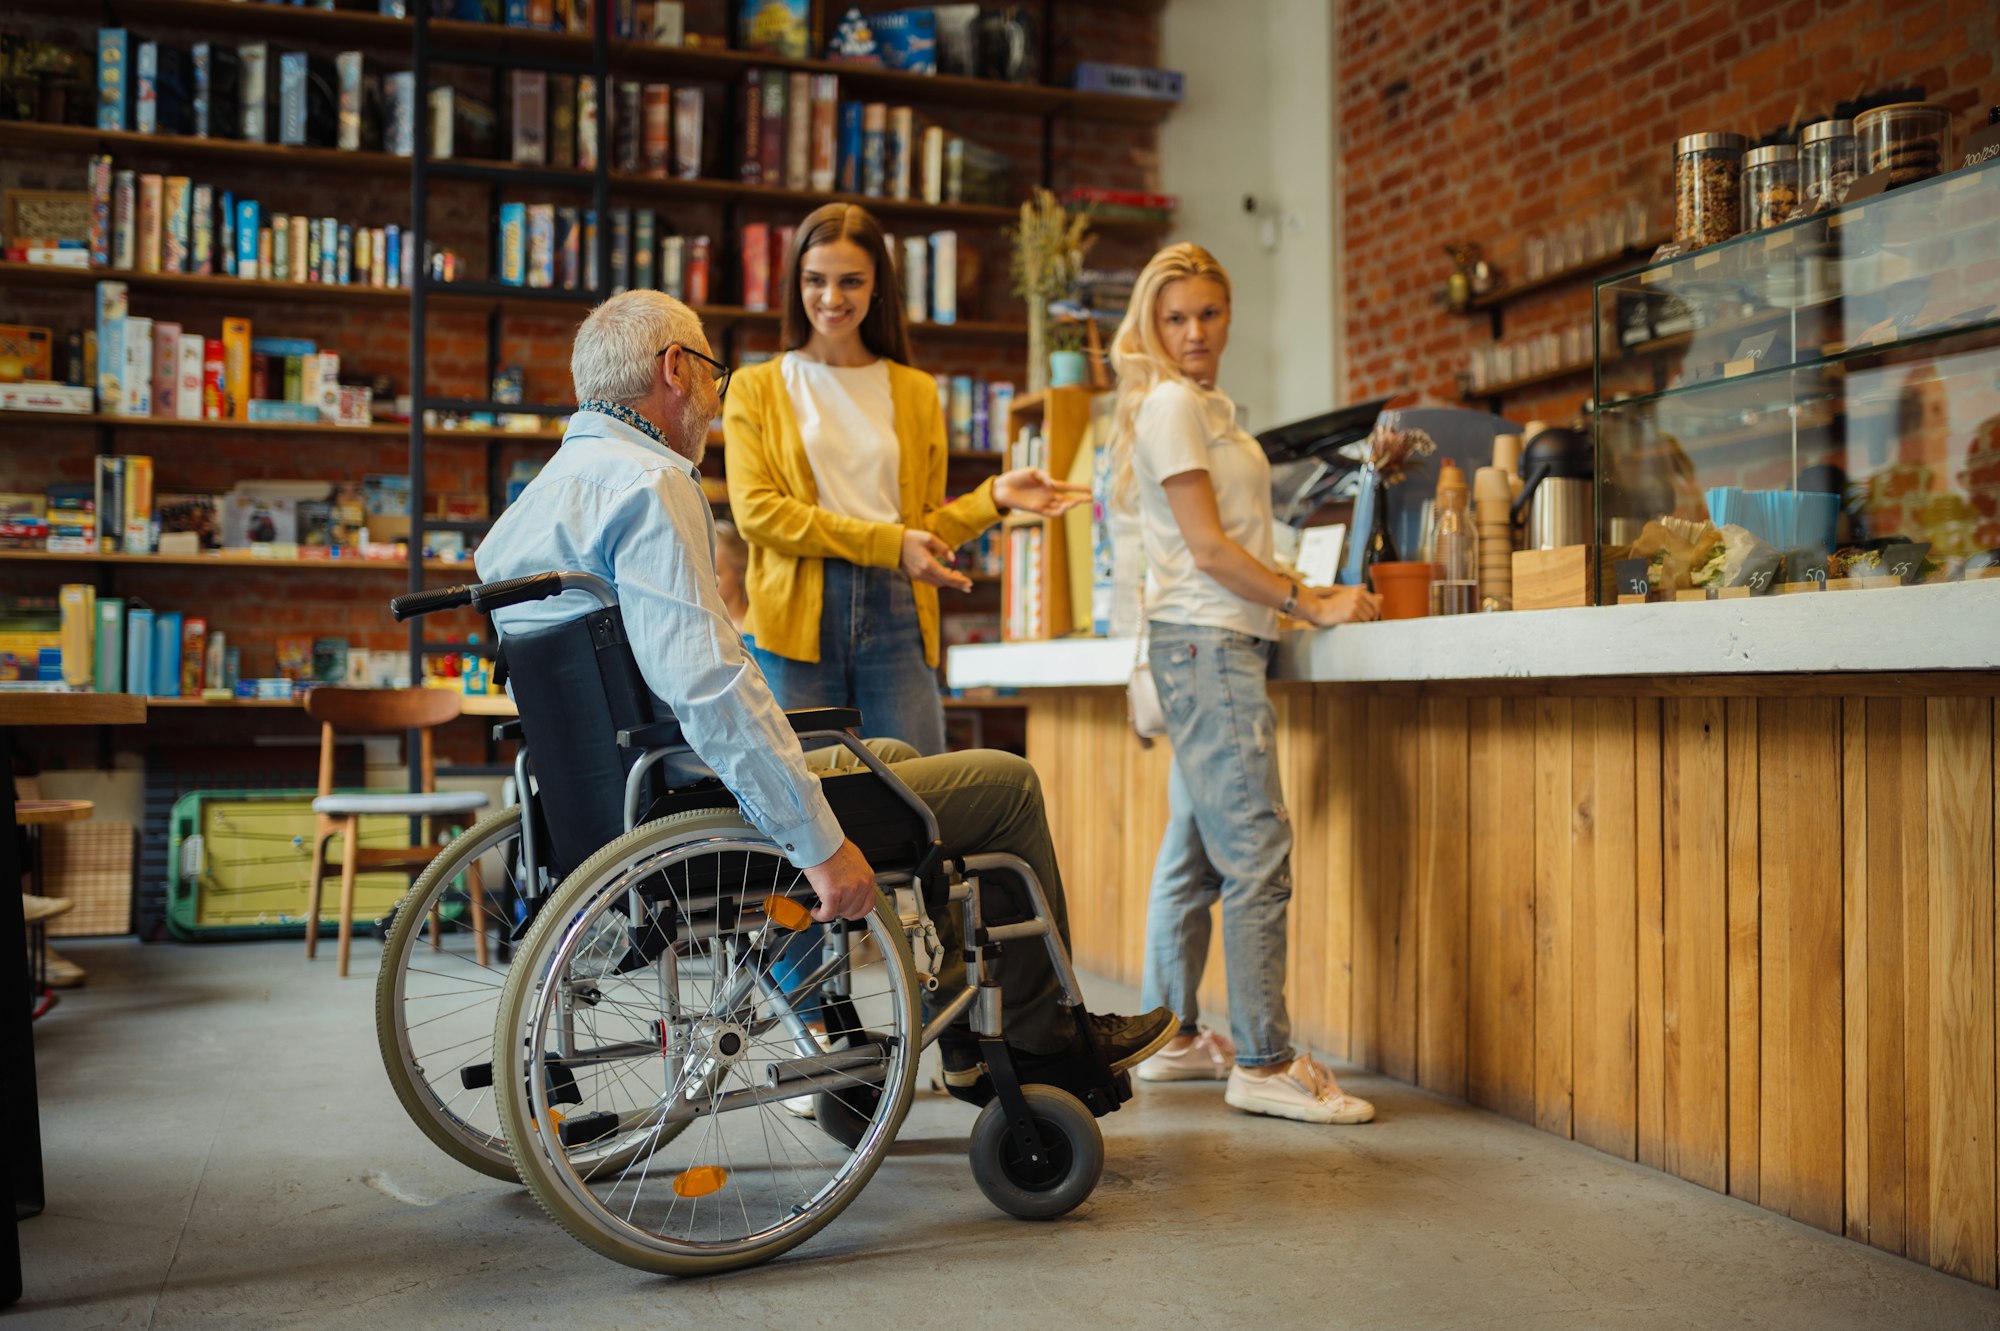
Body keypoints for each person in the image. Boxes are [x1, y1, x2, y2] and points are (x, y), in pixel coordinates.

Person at [473, 289, 1175, 1095]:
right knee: (1007, 786)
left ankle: (965, 1032)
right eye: (709, 371)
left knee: (896, 758)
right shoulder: (652, 484)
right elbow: (707, 686)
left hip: (607, 801)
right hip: (692, 803)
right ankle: (1045, 1042)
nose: (714, 392)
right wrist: (819, 841)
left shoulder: (535, 505)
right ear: (675, 369)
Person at [1112, 243, 1383, 1124]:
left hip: (1210, 644)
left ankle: (1175, 1037)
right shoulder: (1171, 406)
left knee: (1195, 852)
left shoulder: (1203, 407)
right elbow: (1209, 551)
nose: (1194, 332)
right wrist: (1311, 601)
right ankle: (1263, 1062)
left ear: (1229, 314)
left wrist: (1304, 598)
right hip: (1212, 645)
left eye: (1209, 314)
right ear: (1152, 324)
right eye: (1175, 317)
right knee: (1258, 853)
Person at [724, 202, 1085, 757]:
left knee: (920, 799)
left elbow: (920, 529)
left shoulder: (915, 391)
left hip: (897, 612)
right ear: (795, 283)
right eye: (814, 280)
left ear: (878, 288)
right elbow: (759, 514)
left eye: (851, 281)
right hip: (794, 620)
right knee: (802, 801)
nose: (831, 298)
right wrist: (892, 544)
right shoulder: (756, 388)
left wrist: (995, 497)